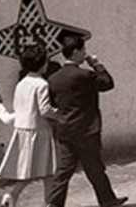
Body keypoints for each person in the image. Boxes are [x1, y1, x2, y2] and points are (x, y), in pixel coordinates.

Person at [46, 33, 127, 207]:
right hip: (87, 130)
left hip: (65, 130)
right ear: (75, 51)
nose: (85, 54)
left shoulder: (53, 78)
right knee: (95, 168)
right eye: (83, 51)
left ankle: (53, 204)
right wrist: (96, 64)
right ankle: (107, 200)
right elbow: (108, 83)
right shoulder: (84, 75)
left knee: (63, 171)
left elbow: (53, 103)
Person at [0, 45, 62, 207]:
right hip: (39, 132)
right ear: (43, 63)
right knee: (48, 171)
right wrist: (61, 113)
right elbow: (45, 110)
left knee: (27, 170)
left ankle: (8, 192)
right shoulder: (41, 84)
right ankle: (49, 203)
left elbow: (18, 106)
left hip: (22, 130)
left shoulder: (21, 84)